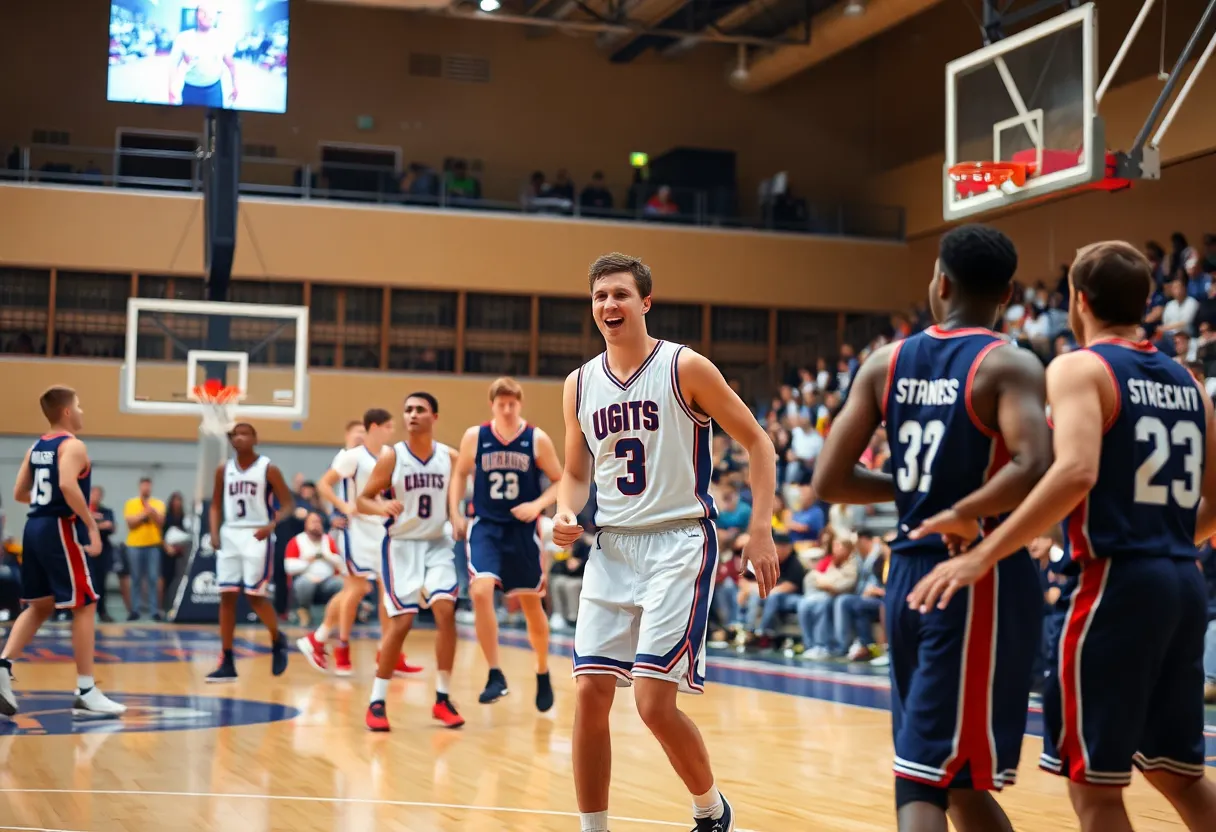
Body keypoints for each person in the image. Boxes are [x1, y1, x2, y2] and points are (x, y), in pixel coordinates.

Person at [906, 240, 1216, 832]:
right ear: (1148, 300)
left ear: (1077, 300)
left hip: (1113, 587)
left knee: (1095, 790)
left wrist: (985, 551)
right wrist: (1168, 544)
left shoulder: (1081, 366)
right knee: (1180, 775)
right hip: (1182, 585)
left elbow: (1076, 471)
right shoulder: (1188, 380)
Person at [811, 224, 1052, 832]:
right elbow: (1035, 462)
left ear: (940, 282)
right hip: (975, 572)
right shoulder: (1010, 362)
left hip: (911, 573)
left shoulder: (883, 362)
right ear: (1008, 292)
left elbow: (829, 481)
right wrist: (964, 504)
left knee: (946, 784)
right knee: (929, 779)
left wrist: (918, 490)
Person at [552, 252, 780, 832]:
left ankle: (710, 807)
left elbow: (758, 443)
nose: (610, 305)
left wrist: (760, 531)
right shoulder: (578, 384)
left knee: (652, 703)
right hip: (610, 548)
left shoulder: (684, 367)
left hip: (678, 543)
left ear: (645, 302)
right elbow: (577, 473)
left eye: (621, 295)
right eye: (601, 296)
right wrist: (563, 510)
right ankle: (593, 828)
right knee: (590, 695)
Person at [0, 386, 125, 717]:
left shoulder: (36, 447)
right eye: (79, 405)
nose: (82, 411)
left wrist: (47, 503)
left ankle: (2, 666)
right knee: (85, 604)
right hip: (57, 527)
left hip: (34, 527)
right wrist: (91, 525)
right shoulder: (74, 446)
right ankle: (86, 689)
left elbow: (18, 492)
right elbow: (68, 485)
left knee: (40, 605)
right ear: (67, 411)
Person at [449, 378, 564, 710]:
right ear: (493, 405)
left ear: (520, 404)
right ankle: (495, 674)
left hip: (521, 530)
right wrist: (455, 511)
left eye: (513, 403)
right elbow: (459, 474)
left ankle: (541, 670)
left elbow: (559, 480)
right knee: (481, 590)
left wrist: (538, 505)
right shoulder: (476, 436)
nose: (508, 408)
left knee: (531, 603)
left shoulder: (536, 438)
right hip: (485, 526)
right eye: (502, 403)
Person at [357, 393, 464, 731]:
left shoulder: (450, 456)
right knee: (402, 622)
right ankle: (377, 699)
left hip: (437, 543)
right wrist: (381, 507)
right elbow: (362, 500)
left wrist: (457, 515)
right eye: (408, 410)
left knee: (446, 611)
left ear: (434, 416)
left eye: (420, 410)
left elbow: (458, 495)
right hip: (401, 546)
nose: (412, 415)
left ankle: (443, 698)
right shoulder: (392, 456)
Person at [302, 414, 420, 677]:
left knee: (387, 594)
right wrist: (342, 507)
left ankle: (387, 653)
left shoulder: (390, 455)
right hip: (355, 531)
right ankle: (341, 647)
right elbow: (323, 484)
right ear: (374, 428)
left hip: (382, 529)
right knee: (355, 589)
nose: (393, 430)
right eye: (389, 426)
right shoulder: (352, 456)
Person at [205, 423, 293, 682]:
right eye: (236, 434)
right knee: (227, 596)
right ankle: (227, 659)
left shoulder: (268, 468)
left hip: (257, 534)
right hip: (230, 532)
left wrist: (271, 525)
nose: (240, 437)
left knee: (255, 597)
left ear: (255, 438)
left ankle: (278, 638)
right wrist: (214, 532)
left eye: (245, 433)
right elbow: (215, 504)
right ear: (231, 440)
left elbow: (288, 504)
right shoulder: (224, 469)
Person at [168, 1, 237, 108]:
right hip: (190, 89)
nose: (207, 15)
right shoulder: (183, 38)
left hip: (213, 90)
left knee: (214, 122)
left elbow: (231, 64)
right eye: (203, 11)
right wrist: (171, 88)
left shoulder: (221, 38)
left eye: (210, 12)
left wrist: (235, 85)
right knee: (189, 123)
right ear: (196, 14)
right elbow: (173, 65)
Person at [284, 512, 344, 625]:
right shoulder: (297, 541)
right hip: (306, 579)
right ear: (306, 524)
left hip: (327, 581)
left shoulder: (328, 540)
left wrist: (327, 556)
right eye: (313, 522)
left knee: (341, 584)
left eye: (318, 522)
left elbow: (340, 563)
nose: (316, 525)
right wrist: (307, 562)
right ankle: (304, 612)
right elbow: (289, 567)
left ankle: (335, 615)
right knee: (304, 584)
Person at [123, 477, 165, 621]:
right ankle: (135, 610)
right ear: (140, 487)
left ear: (151, 487)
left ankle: (154, 611)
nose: (146, 488)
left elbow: (161, 522)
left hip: (153, 545)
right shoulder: (131, 503)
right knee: (135, 578)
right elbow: (131, 523)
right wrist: (144, 514)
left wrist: (151, 511)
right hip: (134, 545)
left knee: (153, 578)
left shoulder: (158, 504)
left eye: (148, 486)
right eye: (144, 486)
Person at [87, 485, 117, 623]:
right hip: (86, 551)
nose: (96, 496)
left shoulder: (107, 511)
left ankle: (102, 611)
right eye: (94, 493)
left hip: (102, 552)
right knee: (86, 582)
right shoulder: (83, 510)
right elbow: (80, 525)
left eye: (99, 494)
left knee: (100, 583)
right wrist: (97, 522)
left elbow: (110, 526)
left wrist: (91, 523)